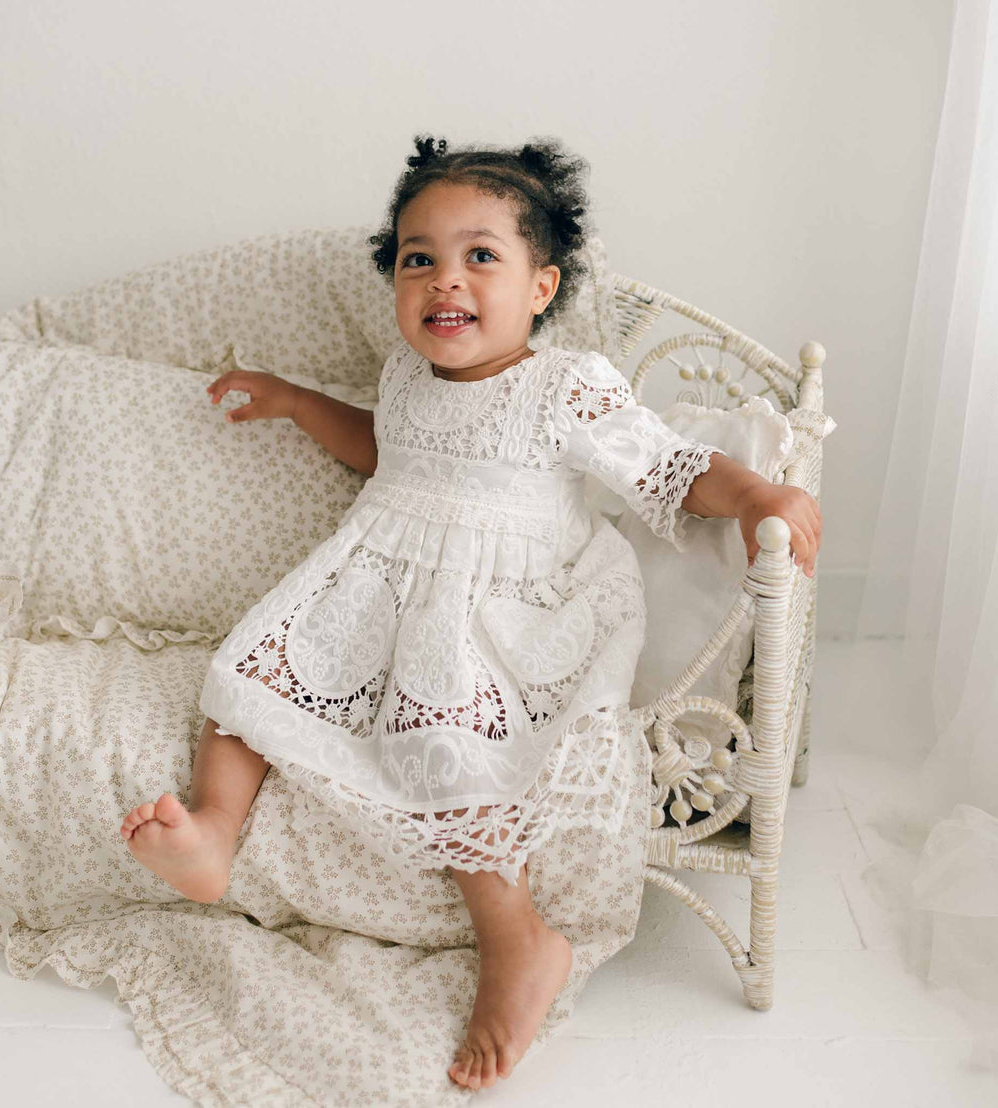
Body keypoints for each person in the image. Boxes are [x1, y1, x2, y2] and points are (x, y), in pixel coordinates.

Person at [118, 134, 822, 1091]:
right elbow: (387, 449)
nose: (446, 280)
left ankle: (517, 937)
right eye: (420, 259)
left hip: (501, 603)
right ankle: (211, 830)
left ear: (541, 286)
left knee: (448, 741)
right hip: (378, 575)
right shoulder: (406, 377)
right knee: (252, 671)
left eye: (480, 255)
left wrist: (754, 497)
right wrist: (292, 400)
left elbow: (667, 464)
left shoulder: (565, 387)